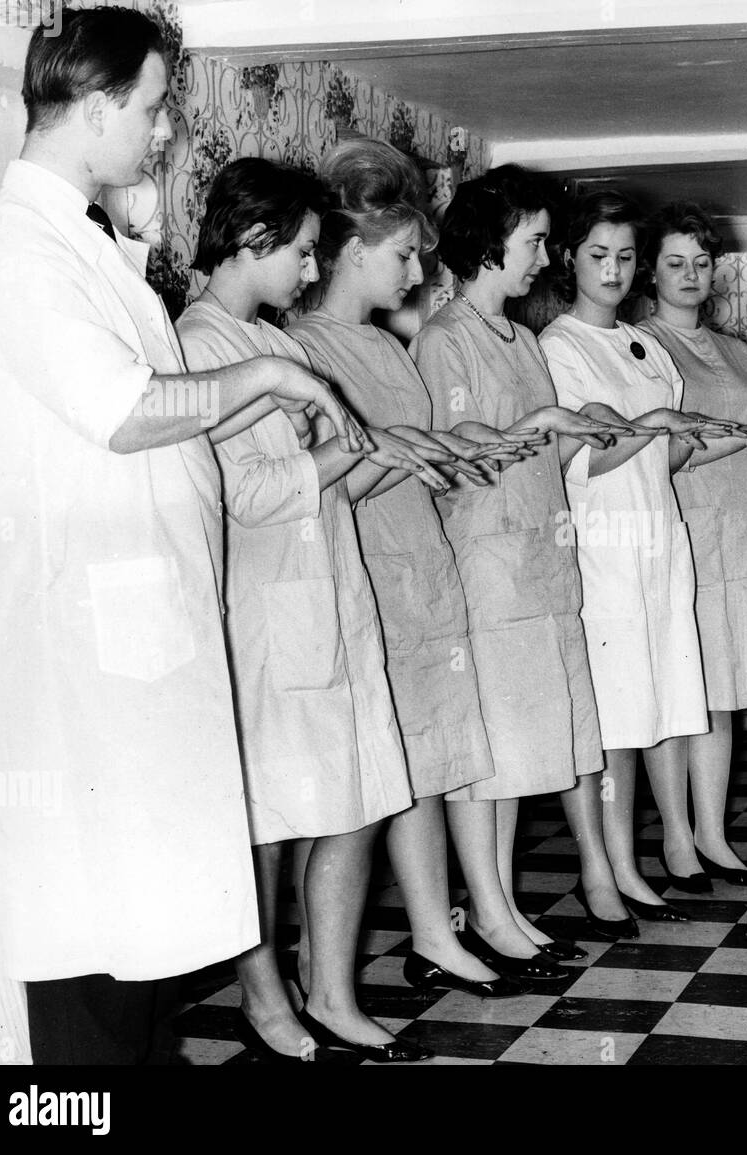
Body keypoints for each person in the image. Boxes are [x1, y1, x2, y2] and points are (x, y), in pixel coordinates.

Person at [0, 8, 366, 1065]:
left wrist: (254, 392)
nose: (167, 131)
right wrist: (273, 373)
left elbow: (170, 404)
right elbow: (126, 410)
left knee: (143, 947)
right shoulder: (11, 253)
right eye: (152, 107)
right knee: (90, 956)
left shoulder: (90, 250)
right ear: (95, 108)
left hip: (137, 651)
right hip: (74, 664)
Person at [177, 156, 463, 1061]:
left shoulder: (284, 346)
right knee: (272, 825)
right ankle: (267, 1002)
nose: (311, 270)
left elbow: (325, 464)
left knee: (357, 803)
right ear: (254, 241)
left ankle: (332, 993)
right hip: (264, 618)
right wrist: (349, 451)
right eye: (301, 252)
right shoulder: (194, 348)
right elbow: (249, 498)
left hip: (334, 594)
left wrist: (373, 450)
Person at [289, 138, 534, 995]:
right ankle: (347, 967)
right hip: (367, 578)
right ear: (353, 251)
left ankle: (437, 934)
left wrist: (461, 449)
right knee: (384, 782)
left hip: (424, 568)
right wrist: (402, 454)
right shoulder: (305, 351)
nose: (415, 273)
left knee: (434, 760)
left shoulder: (392, 348)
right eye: (402, 256)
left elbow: (413, 444)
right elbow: (315, 490)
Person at [411, 165, 640, 959]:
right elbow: (457, 445)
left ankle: (501, 904)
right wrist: (542, 421)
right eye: (535, 240)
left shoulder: (516, 335)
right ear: (490, 238)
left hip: (541, 559)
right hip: (488, 564)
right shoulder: (445, 338)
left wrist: (588, 426)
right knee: (488, 752)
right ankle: (489, 911)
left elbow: (537, 442)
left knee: (521, 750)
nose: (545, 255)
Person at [540, 190, 746, 909]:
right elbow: (580, 461)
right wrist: (652, 424)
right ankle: (615, 865)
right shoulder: (557, 348)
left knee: (663, 702)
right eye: (599, 255)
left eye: (626, 256)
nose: (615, 269)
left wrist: (695, 437)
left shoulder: (648, 345)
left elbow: (669, 457)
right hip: (604, 549)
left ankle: (659, 848)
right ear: (569, 258)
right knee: (618, 718)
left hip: (661, 547)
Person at [636, 201, 747, 886]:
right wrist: (746, 437)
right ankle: (676, 837)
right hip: (682, 530)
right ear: (652, 270)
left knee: (725, 688)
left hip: (739, 529)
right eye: (675, 263)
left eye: (701, 263)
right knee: (681, 692)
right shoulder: (641, 346)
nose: (690, 275)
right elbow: (666, 454)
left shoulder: (738, 351)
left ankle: (713, 831)